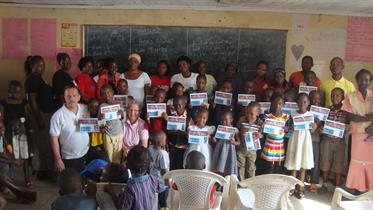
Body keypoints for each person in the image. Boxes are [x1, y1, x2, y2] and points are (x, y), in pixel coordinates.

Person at [105, 145, 165, 210]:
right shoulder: (154, 180)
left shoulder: (129, 189)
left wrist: (111, 193)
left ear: (127, 166)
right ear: (149, 166)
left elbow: (122, 208)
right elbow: (163, 187)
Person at [342, 69, 373, 193]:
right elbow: (348, 116)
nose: (363, 82)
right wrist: (366, 118)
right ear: (356, 80)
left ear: (370, 82)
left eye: (366, 80)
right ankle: (356, 187)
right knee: (357, 161)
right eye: (361, 79)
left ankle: (369, 189)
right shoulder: (350, 96)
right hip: (357, 134)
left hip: (372, 133)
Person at [25, 55, 55, 179]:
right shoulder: (32, 78)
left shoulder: (39, 78)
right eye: (39, 65)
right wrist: (39, 118)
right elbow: (32, 100)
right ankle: (42, 171)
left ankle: (45, 170)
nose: (42, 68)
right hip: (40, 115)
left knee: (46, 144)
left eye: (43, 65)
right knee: (41, 144)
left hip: (46, 113)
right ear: (32, 66)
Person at [50, 85, 90, 172]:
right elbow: (54, 138)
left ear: (79, 97)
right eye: (68, 96)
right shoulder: (58, 116)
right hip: (70, 158)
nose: (71, 99)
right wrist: (58, 159)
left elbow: (94, 124)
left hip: (86, 151)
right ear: (64, 98)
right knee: (73, 182)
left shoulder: (85, 109)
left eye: (74, 96)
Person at [1, 80, 32, 187]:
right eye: (14, 92)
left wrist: (30, 128)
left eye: (19, 92)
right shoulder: (3, 103)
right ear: (9, 91)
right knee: (10, 154)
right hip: (9, 132)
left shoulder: (24, 103)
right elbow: (1, 118)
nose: (16, 95)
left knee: (25, 155)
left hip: (22, 131)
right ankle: (8, 176)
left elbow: (28, 117)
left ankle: (27, 177)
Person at [285, 93, 317, 186]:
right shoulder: (292, 114)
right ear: (296, 103)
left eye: (305, 102)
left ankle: (301, 186)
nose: (302, 104)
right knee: (294, 163)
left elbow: (311, 130)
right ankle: (292, 186)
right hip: (295, 139)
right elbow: (289, 128)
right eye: (300, 102)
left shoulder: (311, 115)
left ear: (308, 103)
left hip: (305, 140)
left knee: (303, 163)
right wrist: (289, 128)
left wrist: (314, 127)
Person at [320, 88, 347, 189]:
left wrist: (347, 129)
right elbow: (322, 124)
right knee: (325, 159)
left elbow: (348, 125)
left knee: (338, 161)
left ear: (343, 98)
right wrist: (321, 129)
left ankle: (337, 184)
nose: (334, 97)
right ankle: (325, 182)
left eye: (337, 96)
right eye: (332, 95)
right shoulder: (327, 110)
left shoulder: (346, 111)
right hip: (326, 139)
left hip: (340, 141)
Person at [261, 93, 289, 174]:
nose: (277, 106)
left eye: (280, 103)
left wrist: (286, 129)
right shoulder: (267, 116)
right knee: (269, 167)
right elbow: (263, 131)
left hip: (279, 146)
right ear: (272, 103)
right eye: (275, 103)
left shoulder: (286, 117)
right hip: (269, 146)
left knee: (278, 167)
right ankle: (269, 184)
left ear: (283, 104)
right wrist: (263, 127)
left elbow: (288, 130)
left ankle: (275, 183)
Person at [236, 102, 263, 180]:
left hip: (252, 150)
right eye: (247, 113)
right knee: (240, 166)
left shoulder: (260, 122)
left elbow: (262, 135)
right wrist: (240, 135)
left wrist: (259, 135)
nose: (249, 115)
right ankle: (241, 183)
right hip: (241, 147)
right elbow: (236, 130)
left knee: (251, 167)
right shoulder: (242, 119)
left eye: (251, 114)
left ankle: (250, 183)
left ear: (257, 113)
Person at [99, 85, 124, 164]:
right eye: (104, 93)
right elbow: (99, 121)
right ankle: (110, 171)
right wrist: (101, 118)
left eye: (108, 92)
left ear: (113, 92)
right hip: (108, 134)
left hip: (118, 133)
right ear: (102, 96)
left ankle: (116, 171)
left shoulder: (119, 104)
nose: (107, 95)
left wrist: (122, 114)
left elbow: (123, 119)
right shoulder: (102, 106)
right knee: (109, 156)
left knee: (118, 155)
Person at [211, 110, 239, 176]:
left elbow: (239, 142)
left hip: (229, 151)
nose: (224, 122)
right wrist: (214, 140)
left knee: (228, 166)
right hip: (220, 150)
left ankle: (227, 180)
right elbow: (217, 140)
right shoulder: (220, 129)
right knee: (218, 166)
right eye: (222, 120)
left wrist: (234, 142)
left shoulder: (235, 130)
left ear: (231, 119)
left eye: (226, 120)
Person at [166, 96, 190, 170]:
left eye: (180, 105)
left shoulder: (189, 118)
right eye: (175, 105)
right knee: (172, 166)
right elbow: (168, 131)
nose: (177, 107)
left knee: (180, 166)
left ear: (184, 104)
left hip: (183, 147)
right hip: (172, 146)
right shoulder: (171, 117)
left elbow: (190, 133)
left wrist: (184, 133)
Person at [148, 131, 169, 209]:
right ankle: (163, 207)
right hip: (161, 181)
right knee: (163, 199)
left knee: (154, 198)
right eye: (165, 140)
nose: (165, 141)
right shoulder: (162, 153)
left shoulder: (150, 148)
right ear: (160, 142)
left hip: (151, 179)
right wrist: (167, 182)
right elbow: (164, 170)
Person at [308, 90, 324, 192]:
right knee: (304, 159)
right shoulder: (305, 109)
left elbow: (324, 124)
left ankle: (313, 181)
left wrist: (321, 128)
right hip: (305, 138)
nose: (316, 100)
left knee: (315, 160)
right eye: (313, 98)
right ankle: (302, 179)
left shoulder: (323, 111)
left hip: (316, 138)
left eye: (318, 98)